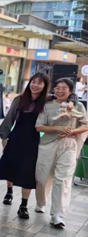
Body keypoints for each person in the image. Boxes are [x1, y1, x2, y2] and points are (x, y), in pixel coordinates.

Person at [0, 72, 50, 219]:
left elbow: (68, 98)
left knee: (28, 172)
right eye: (33, 82)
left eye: (39, 83)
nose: (35, 85)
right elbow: (9, 119)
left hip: (32, 142)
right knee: (11, 166)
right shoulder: (20, 100)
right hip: (16, 138)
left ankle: (23, 205)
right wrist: (4, 138)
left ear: (45, 86)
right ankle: (9, 191)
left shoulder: (47, 102)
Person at [35, 77, 88, 228]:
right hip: (48, 144)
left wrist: (73, 131)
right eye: (57, 88)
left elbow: (85, 125)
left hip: (69, 145)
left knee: (62, 179)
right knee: (42, 177)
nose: (59, 90)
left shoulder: (78, 106)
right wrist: (58, 128)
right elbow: (39, 126)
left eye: (63, 88)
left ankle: (57, 214)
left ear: (70, 91)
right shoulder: (48, 106)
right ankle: (41, 202)